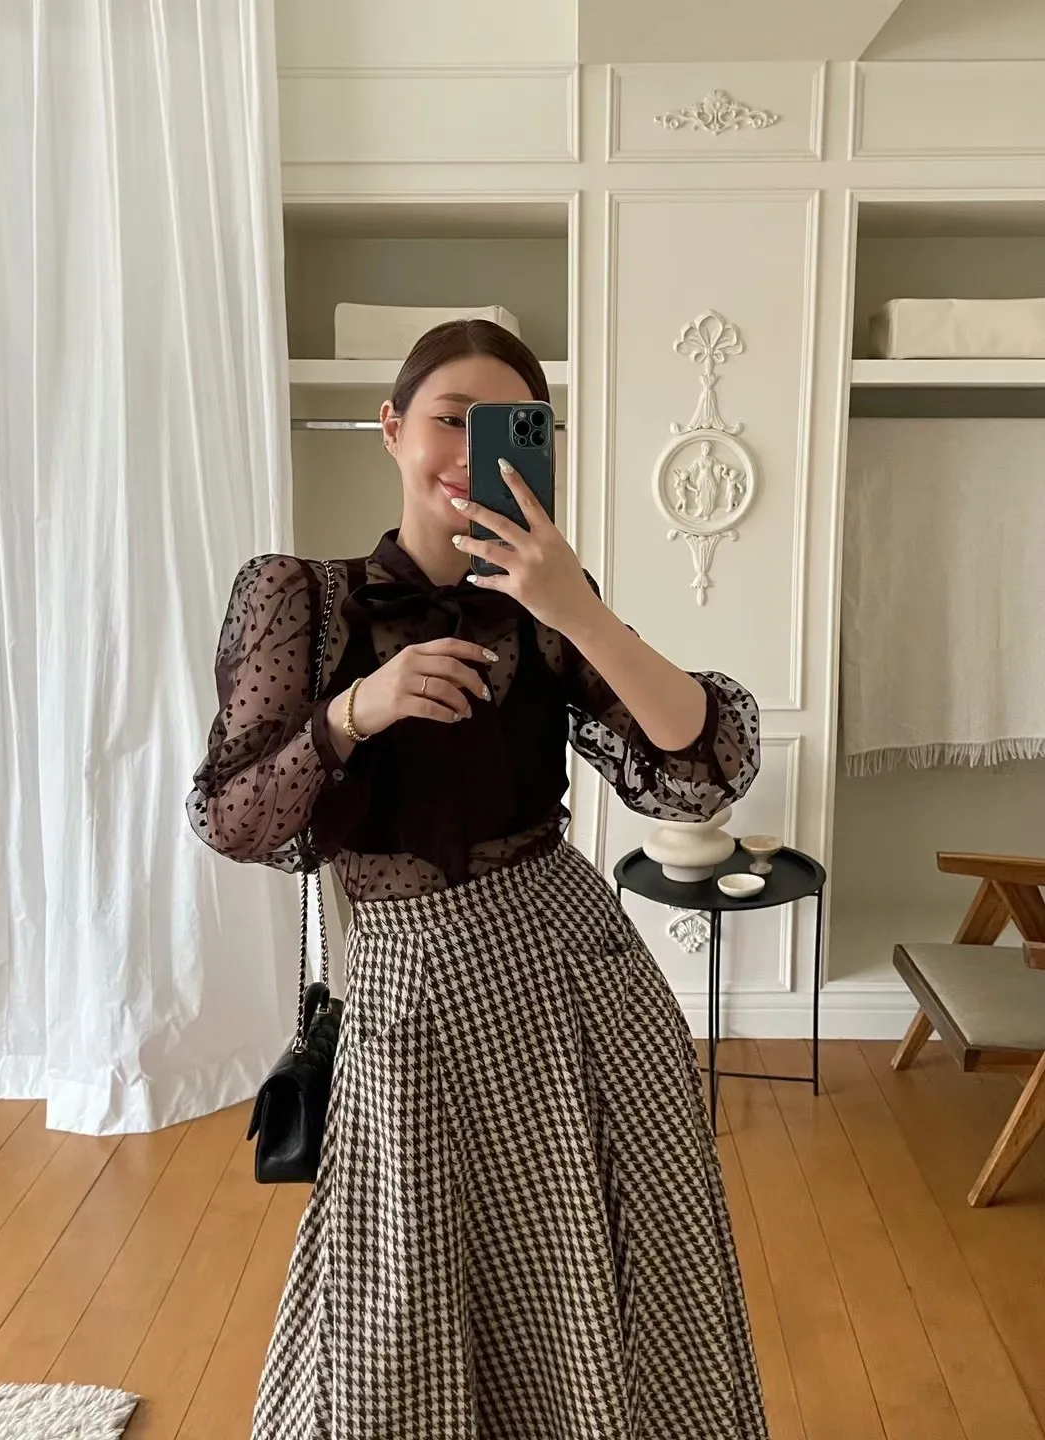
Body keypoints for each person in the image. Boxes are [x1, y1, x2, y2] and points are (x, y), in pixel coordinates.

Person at [187, 319, 768, 1440]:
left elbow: (704, 769)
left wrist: (573, 605)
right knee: (399, 1297)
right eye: (447, 419)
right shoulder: (301, 598)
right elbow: (229, 814)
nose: (466, 451)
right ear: (392, 428)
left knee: (610, 1274)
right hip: (409, 995)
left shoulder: (549, 604)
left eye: (503, 425)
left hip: (581, 985)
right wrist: (356, 711)